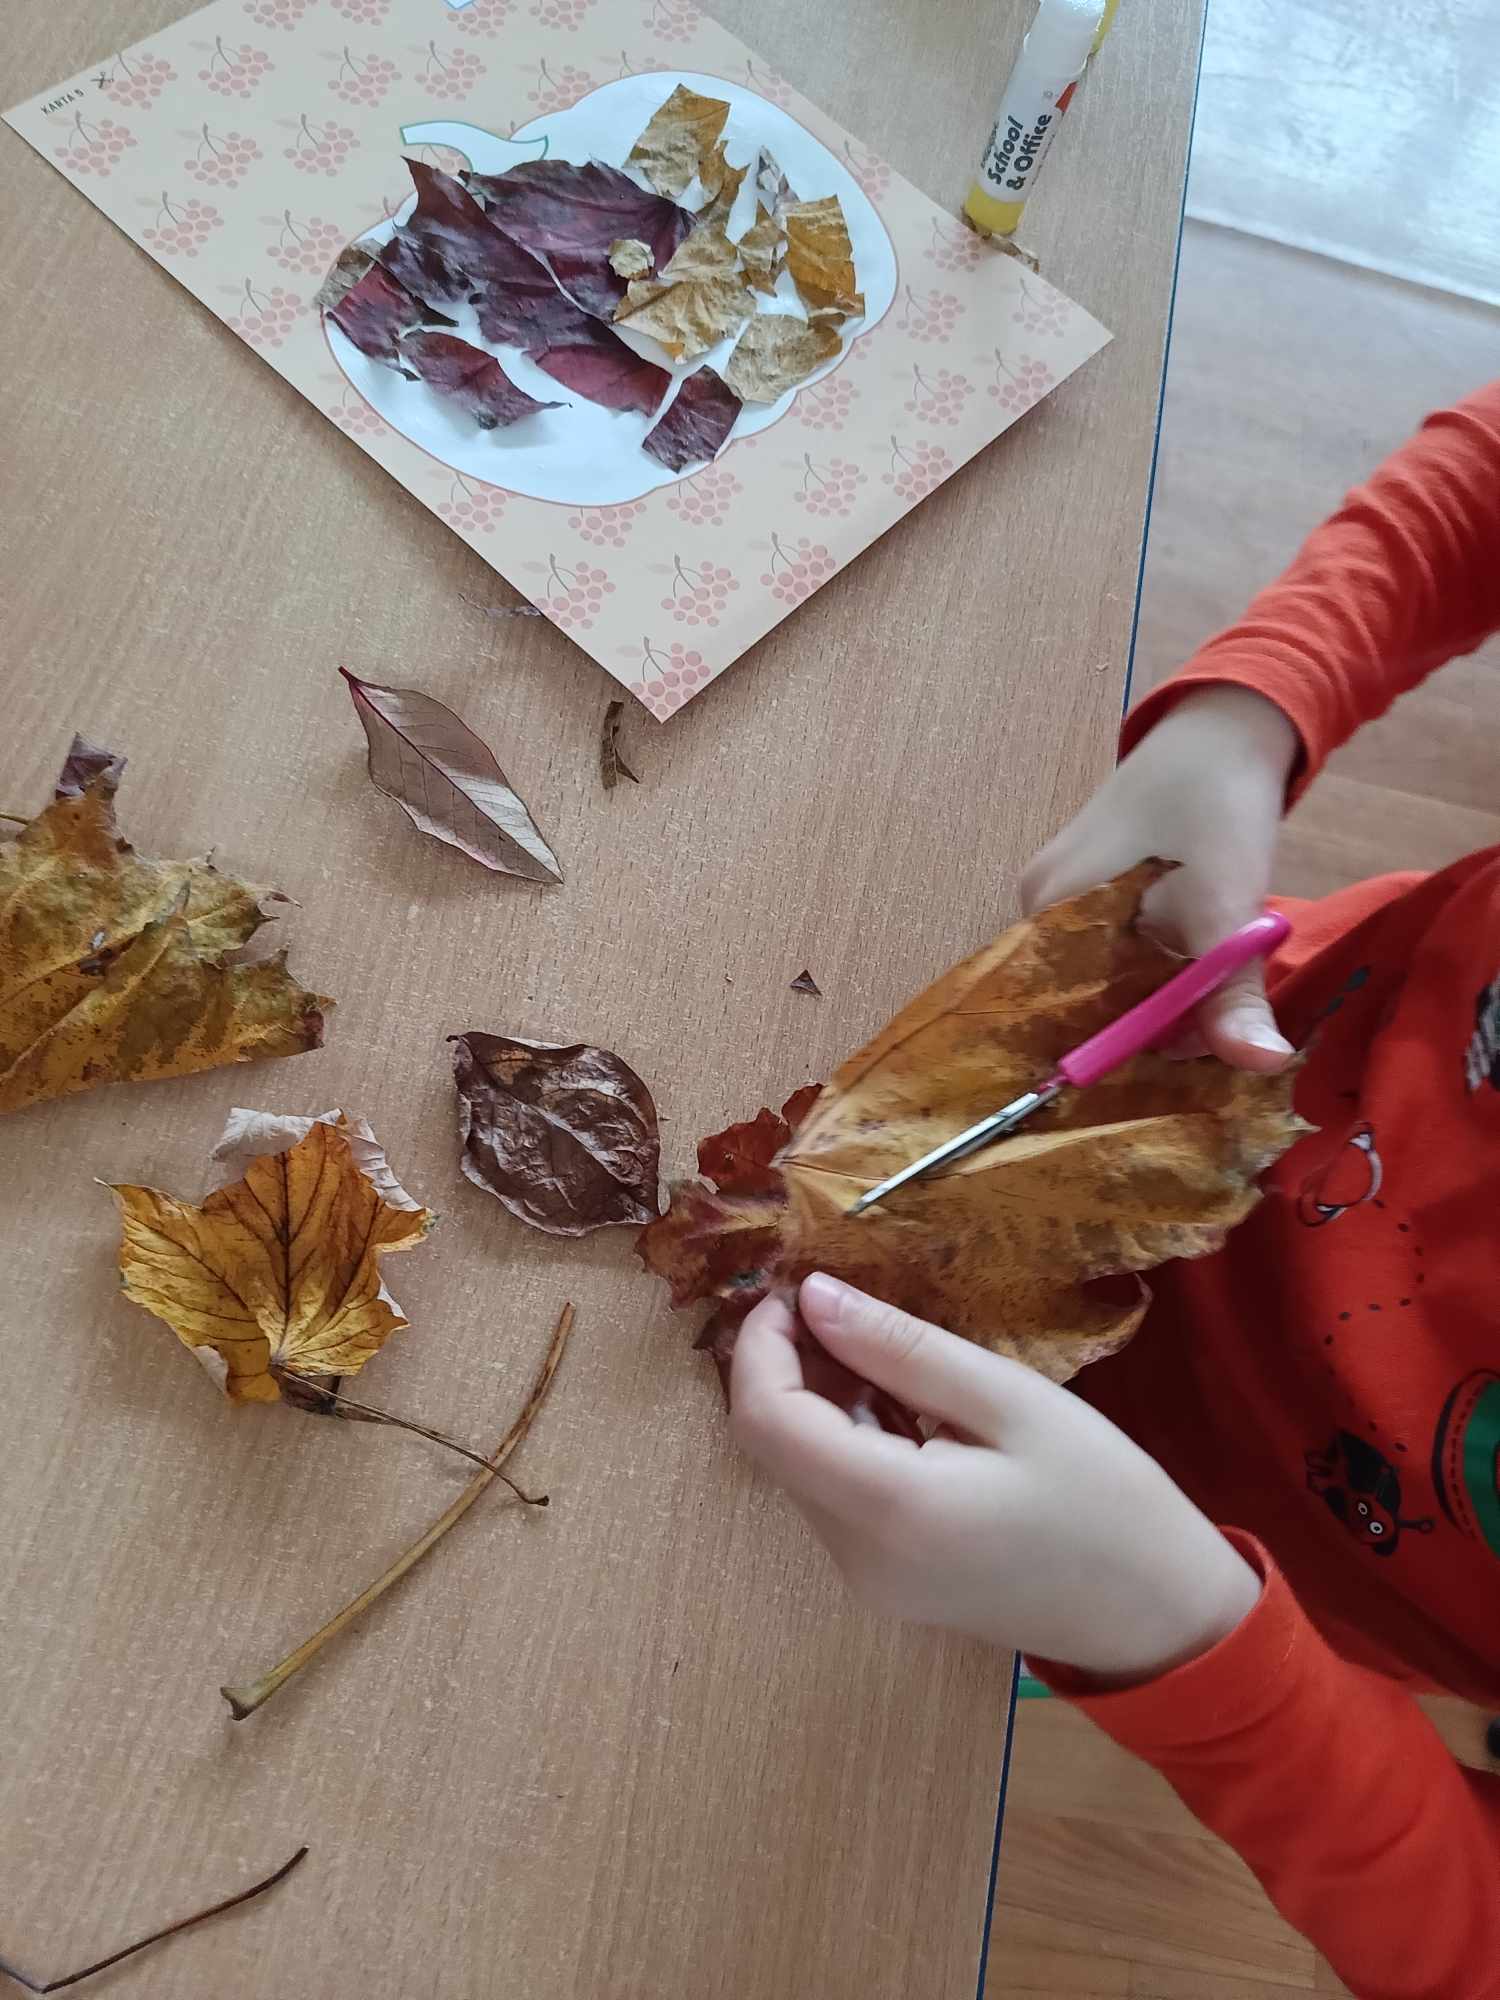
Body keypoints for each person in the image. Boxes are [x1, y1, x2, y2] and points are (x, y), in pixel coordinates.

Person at [729, 380, 1500, 1998]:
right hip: (1184, 1069)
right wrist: (1262, 701)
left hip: (1234, 1560)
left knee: (920, 1615)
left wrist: (1192, 1646)